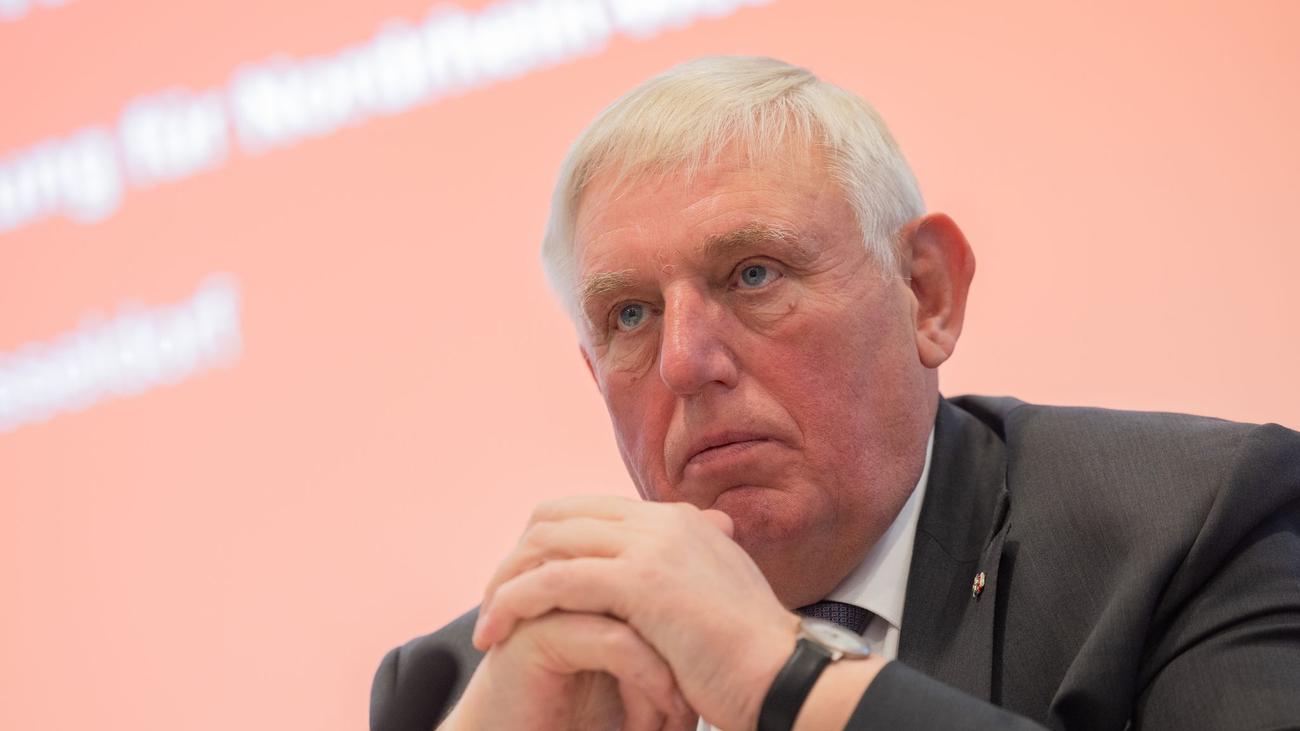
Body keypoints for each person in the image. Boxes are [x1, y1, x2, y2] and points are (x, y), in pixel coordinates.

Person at [371, 56, 1300, 730]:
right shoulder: (467, 681)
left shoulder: (1190, 526)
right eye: (630, 315)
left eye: (754, 273)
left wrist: (785, 679)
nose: (684, 362)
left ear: (926, 294)